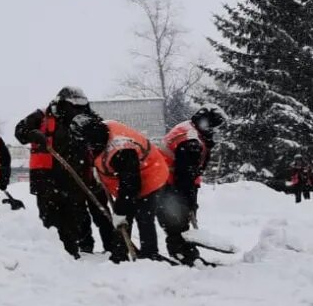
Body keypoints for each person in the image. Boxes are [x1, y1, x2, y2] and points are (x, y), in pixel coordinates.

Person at [15, 86, 122, 260]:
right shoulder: (41, 116)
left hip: (79, 176)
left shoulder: (88, 118)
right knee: (51, 220)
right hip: (47, 179)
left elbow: (102, 136)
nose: (76, 111)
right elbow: (20, 132)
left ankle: (95, 249)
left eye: (80, 107)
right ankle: (58, 254)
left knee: (81, 217)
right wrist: (33, 134)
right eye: (72, 107)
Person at [72, 115, 197, 264]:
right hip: (131, 176)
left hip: (151, 175)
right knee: (126, 215)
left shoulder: (121, 150)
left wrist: (120, 212)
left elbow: (130, 186)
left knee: (143, 215)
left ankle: (149, 254)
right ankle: (120, 253)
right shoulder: (100, 132)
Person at [161, 105, 226, 226]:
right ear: (207, 123)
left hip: (169, 180)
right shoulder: (191, 143)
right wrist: (189, 201)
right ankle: (182, 242)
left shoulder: (189, 127)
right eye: (214, 127)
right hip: (172, 184)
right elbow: (185, 174)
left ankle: (183, 240)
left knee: (179, 222)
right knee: (178, 224)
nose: (215, 131)